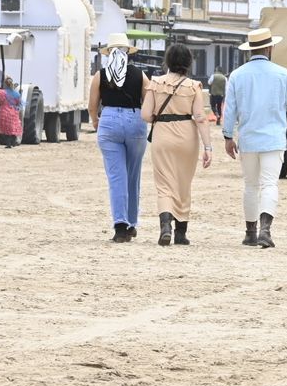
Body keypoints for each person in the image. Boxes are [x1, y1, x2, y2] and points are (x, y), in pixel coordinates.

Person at [222, 27, 287, 248]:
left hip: (248, 139)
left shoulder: (237, 75)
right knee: (270, 184)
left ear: (250, 50)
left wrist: (227, 136)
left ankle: (250, 233)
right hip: (273, 139)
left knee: (250, 185)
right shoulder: (281, 73)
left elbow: (230, 110)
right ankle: (265, 230)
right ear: (270, 48)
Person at [142, 43, 212, 246]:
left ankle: (165, 226)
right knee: (183, 183)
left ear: (168, 61)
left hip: (162, 134)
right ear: (188, 62)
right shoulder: (194, 86)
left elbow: (145, 115)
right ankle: (181, 232)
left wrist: (160, 117)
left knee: (164, 184)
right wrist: (208, 147)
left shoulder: (155, 83)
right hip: (186, 135)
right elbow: (200, 117)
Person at [88, 32, 148, 242]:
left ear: (108, 53)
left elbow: (92, 105)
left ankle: (120, 226)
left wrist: (96, 121)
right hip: (135, 120)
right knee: (133, 175)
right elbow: (149, 101)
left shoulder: (101, 75)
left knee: (116, 177)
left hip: (109, 120)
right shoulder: (140, 75)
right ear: (127, 53)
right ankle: (132, 223)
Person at [0, 75, 23, 148]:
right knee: (13, 127)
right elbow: (19, 103)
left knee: (6, 129)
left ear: (5, 84)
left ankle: (8, 144)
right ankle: (13, 142)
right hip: (14, 113)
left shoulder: (1, 92)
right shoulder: (16, 93)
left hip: (4, 112)